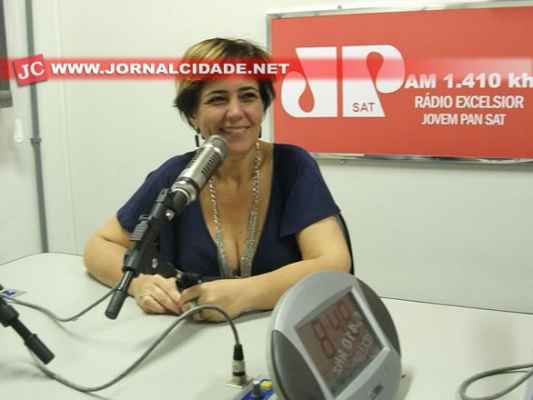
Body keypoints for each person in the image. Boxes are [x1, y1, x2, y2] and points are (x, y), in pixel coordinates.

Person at [83, 38, 351, 322]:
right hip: (196, 336)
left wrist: (245, 294)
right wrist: (140, 284)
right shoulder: (177, 176)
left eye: (248, 96)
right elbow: (98, 246)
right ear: (192, 115)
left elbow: (333, 263)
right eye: (218, 99)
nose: (235, 112)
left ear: (263, 106)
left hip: (281, 331)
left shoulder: (293, 166)